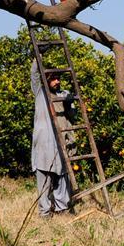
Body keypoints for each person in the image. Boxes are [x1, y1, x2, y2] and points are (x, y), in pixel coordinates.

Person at [30, 61, 77, 218]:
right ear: (46, 80)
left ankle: (61, 208)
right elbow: (34, 75)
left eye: (58, 78)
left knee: (62, 176)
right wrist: (38, 58)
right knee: (44, 179)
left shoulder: (64, 94)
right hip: (45, 143)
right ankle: (44, 212)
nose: (57, 82)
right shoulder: (40, 93)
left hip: (62, 142)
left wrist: (70, 105)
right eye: (53, 79)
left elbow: (72, 118)